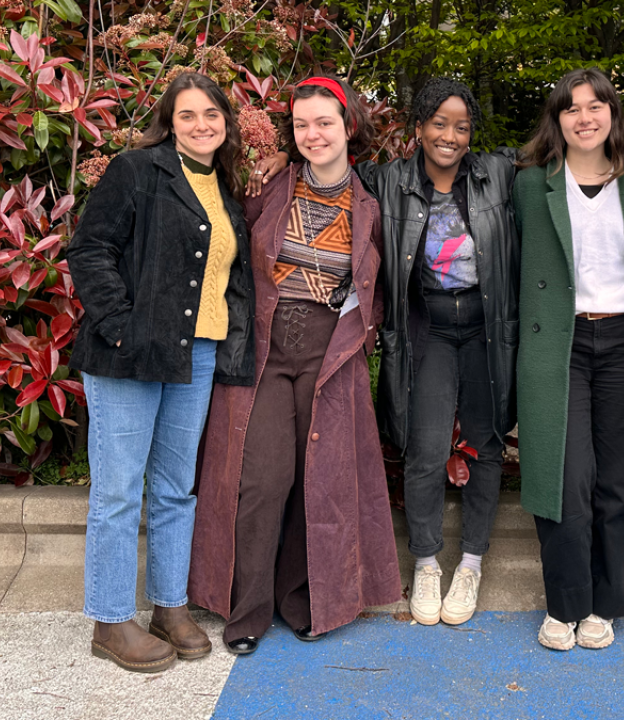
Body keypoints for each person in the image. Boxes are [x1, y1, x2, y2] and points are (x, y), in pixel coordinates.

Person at [252, 78, 519, 627]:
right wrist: (283, 150)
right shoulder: (390, 181)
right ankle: (425, 561)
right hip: (428, 325)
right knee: (423, 447)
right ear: (418, 128)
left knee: (486, 443)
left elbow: (551, 156)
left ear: (473, 133)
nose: (449, 135)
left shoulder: (499, 175)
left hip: (488, 326)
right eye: (438, 123)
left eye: (461, 125)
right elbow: (329, 165)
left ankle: (469, 562)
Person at [189, 75, 401, 654]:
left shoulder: (373, 204)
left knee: (321, 480)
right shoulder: (268, 188)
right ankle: (248, 610)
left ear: (347, 126)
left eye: (324, 122)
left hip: (331, 354)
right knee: (261, 479)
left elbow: (378, 285)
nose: (313, 134)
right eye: (302, 124)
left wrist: (363, 329)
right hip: (265, 350)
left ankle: (303, 600)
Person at [67, 72, 254, 672]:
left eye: (212, 115)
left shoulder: (224, 186)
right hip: (128, 354)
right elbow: (89, 249)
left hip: (194, 354)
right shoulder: (136, 171)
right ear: (169, 122)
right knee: (119, 491)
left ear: (226, 122)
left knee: (177, 487)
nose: (202, 125)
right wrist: (122, 325)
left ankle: (168, 607)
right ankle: (111, 619)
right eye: (188, 115)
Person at [513, 67, 624, 651]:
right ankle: (564, 603)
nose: (584, 117)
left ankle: (607, 602)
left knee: (619, 480)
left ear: (612, 113)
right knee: (564, 474)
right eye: (571, 108)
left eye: (595, 105)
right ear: (557, 120)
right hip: (559, 344)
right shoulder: (531, 184)